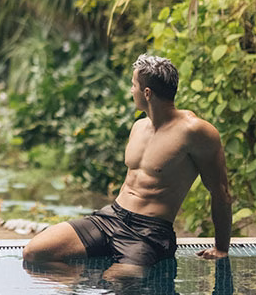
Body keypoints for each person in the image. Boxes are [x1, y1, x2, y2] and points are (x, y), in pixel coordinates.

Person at [22, 54, 232, 270]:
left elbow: (221, 192)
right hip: (111, 217)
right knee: (34, 253)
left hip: (149, 231)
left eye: (133, 85)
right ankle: (90, 283)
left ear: (147, 93)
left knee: (121, 282)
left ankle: (101, 281)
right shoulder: (139, 127)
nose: (131, 91)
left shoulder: (195, 131)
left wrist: (221, 248)